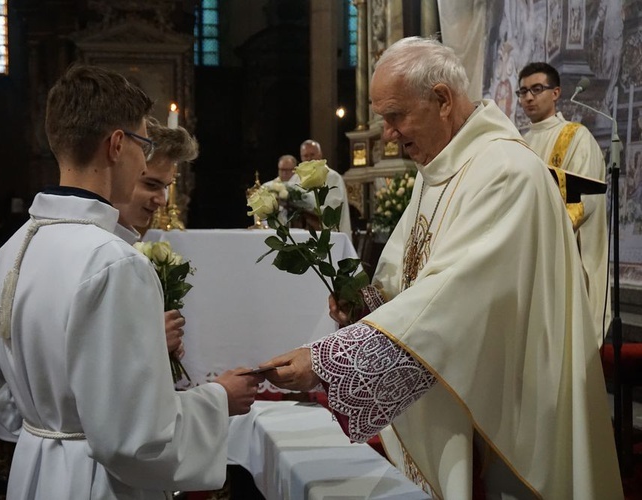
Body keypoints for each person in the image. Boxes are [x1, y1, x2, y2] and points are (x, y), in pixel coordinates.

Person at [261, 37, 622, 499]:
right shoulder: (443, 167)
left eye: (395, 116)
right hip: (462, 384)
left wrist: (330, 361)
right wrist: (363, 306)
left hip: (510, 401)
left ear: (443, 100)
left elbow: (455, 296)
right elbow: (409, 277)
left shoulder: (505, 171)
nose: (388, 134)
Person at [0, 64, 263, 499]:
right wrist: (219, 399)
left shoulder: (13, 250)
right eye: (143, 145)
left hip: (35, 470)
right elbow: (138, 441)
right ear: (116, 145)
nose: (145, 159)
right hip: (97, 483)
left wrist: (48, 434)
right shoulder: (112, 262)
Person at [518, 62, 610, 347]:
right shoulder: (518, 142)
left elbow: (587, 196)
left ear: (556, 92)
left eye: (537, 89)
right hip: (524, 258)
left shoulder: (575, 136)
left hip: (562, 254)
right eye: (522, 92)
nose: (529, 98)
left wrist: (545, 230)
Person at [115, 117, 200, 362]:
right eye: (151, 184)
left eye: (166, 187)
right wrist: (150, 340)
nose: (162, 200)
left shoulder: (127, 243)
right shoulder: (103, 254)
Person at [298, 140, 353, 237]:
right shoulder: (297, 178)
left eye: (312, 154)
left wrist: (307, 202)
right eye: (305, 156)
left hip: (329, 234)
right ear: (301, 158)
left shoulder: (333, 177)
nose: (309, 159)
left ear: (320, 154)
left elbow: (333, 207)